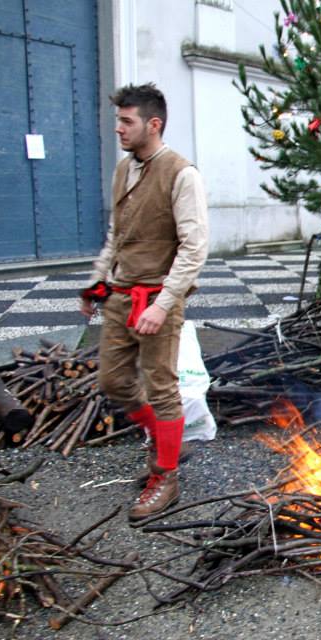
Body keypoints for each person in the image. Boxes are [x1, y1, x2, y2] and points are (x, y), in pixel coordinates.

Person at [80, 83, 208, 521]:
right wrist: (97, 284)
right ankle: (166, 440)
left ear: (153, 125)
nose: (118, 128)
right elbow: (118, 236)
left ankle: (165, 477)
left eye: (126, 121)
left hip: (158, 299)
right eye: (118, 120)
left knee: (162, 389)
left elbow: (194, 249)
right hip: (119, 295)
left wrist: (163, 303)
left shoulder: (181, 174)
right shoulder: (124, 170)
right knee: (113, 382)